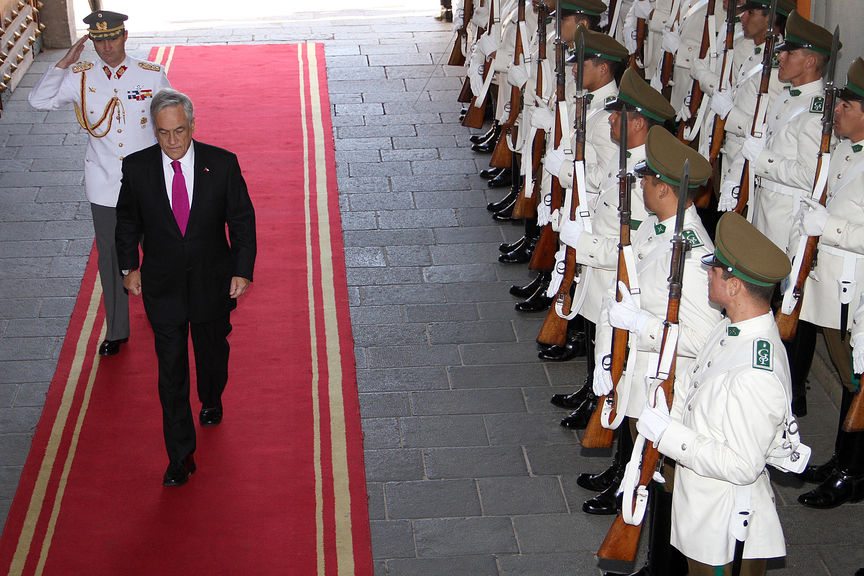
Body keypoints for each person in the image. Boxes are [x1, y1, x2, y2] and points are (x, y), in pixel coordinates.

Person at [637, 211, 796, 576]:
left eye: (715, 268)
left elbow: (742, 465)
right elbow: (694, 385)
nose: (706, 271)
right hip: (703, 513)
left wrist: (668, 435)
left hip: (724, 529)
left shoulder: (757, 371)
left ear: (735, 285)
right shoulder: (730, 328)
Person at [115, 89, 257, 487]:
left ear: (192, 125)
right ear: (154, 131)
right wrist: (130, 266)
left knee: (212, 354)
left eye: (180, 131)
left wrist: (242, 271)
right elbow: (127, 222)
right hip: (163, 288)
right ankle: (180, 456)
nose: (173, 141)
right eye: (164, 133)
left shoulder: (222, 164)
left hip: (213, 283)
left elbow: (242, 221)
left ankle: (211, 398)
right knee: (170, 373)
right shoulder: (137, 167)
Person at [28, 10, 170, 357]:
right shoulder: (80, 76)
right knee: (111, 259)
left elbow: (170, 117)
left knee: (158, 252)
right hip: (105, 182)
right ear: (90, 42)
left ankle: (163, 316)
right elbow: (38, 101)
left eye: (112, 38)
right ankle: (117, 330)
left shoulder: (150, 75)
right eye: (98, 40)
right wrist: (64, 63)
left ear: (124, 36)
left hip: (147, 184)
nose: (106, 47)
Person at [793, 57, 864, 509]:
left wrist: (830, 228)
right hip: (829, 277)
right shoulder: (843, 147)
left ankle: (852, 472)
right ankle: (844, 459)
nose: (835, 111)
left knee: (856, 378)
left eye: (847, 105)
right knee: (846, 376)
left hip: (852, 285)